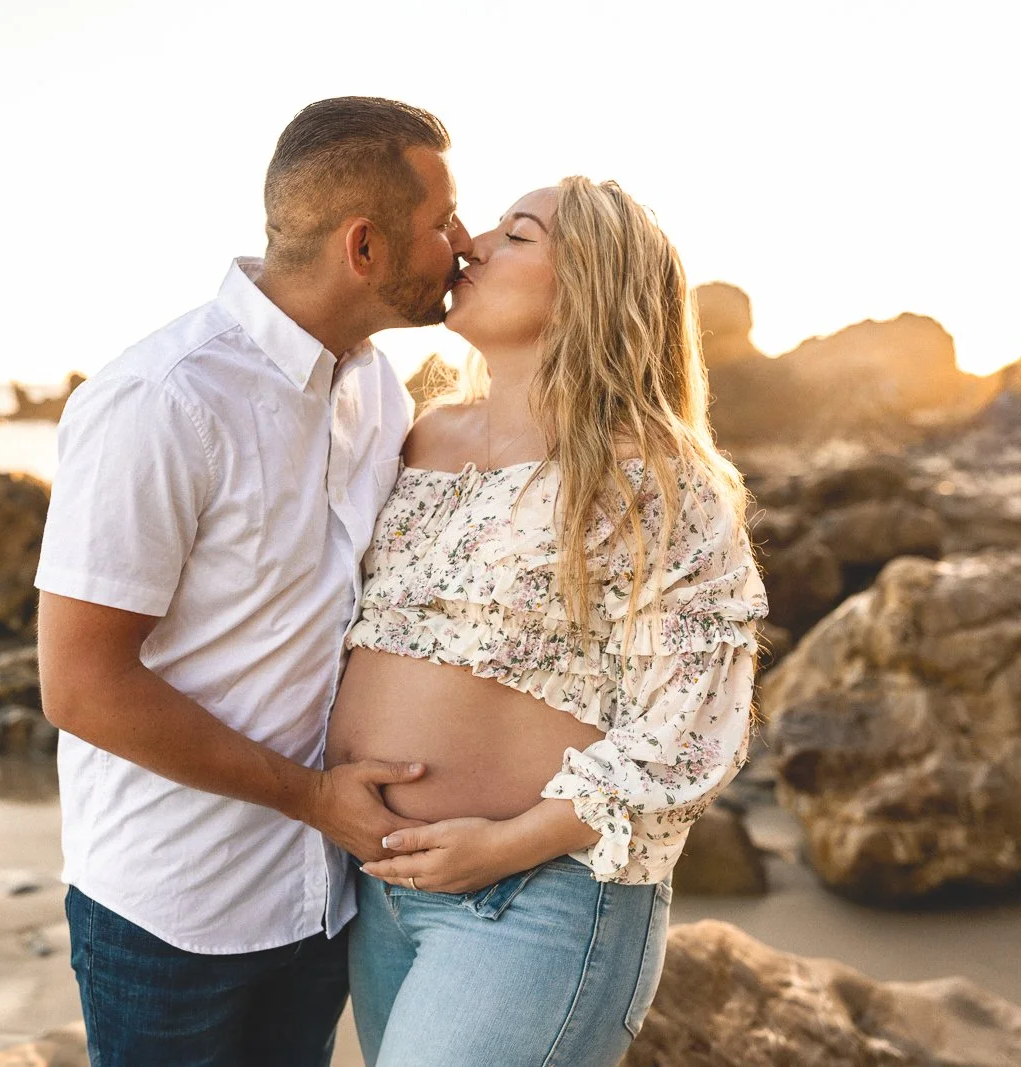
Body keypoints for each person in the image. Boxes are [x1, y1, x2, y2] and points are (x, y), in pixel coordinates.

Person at [33, 97, 473, 1067]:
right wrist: (313, 796)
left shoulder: (378, 386)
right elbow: (80, 685)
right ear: (364, 245)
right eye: (443, 220)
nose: (463, 242)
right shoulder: (163, 399)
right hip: (172, 905)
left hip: (319, 896)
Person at [327, 177, 769, 1066]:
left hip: (539, 897)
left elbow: (688, 730)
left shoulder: (653, 475)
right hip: (382, 892)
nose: (472, 243)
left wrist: (502, 845)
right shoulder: (418, 437)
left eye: (516, 234)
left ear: (591, 283)